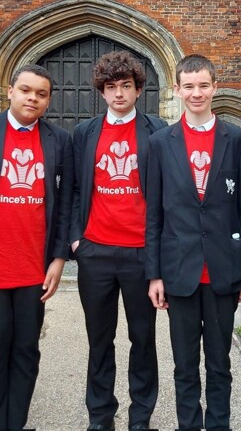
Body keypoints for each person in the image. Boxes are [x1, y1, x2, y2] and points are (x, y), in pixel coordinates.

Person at [0, 64, 73, 429]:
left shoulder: (59, 140)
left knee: (25, 351)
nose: (32, 98)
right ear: (10, 91)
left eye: (41, 94)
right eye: (26, 90)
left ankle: (15, 422)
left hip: (33, 270)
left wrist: (59, 258)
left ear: (48, 101)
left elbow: (65, 203)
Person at [146, 54, 241, 431]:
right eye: (189, 86)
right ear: (177, 89)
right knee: (185, 364)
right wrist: (154, 274)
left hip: (223, 272)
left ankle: (219, 424)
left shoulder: (237, 139)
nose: (196, 93)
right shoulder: (160, 143)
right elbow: (154, 214)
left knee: (220, 363)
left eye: (204, 85)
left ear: (214, 87)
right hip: (180, 272)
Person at [70, 50, 167, 431]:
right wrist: (76, 240)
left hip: (141, 252)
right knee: (99, 340)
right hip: (95, 250)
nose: (119, 94)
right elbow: (74, 189)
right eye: (111, 87)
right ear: (102, 92)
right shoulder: (85, 132)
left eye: (126, 86)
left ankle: (140, 417)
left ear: (139, 89)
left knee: (143, 339)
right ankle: (100, 416)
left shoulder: (157, 130)